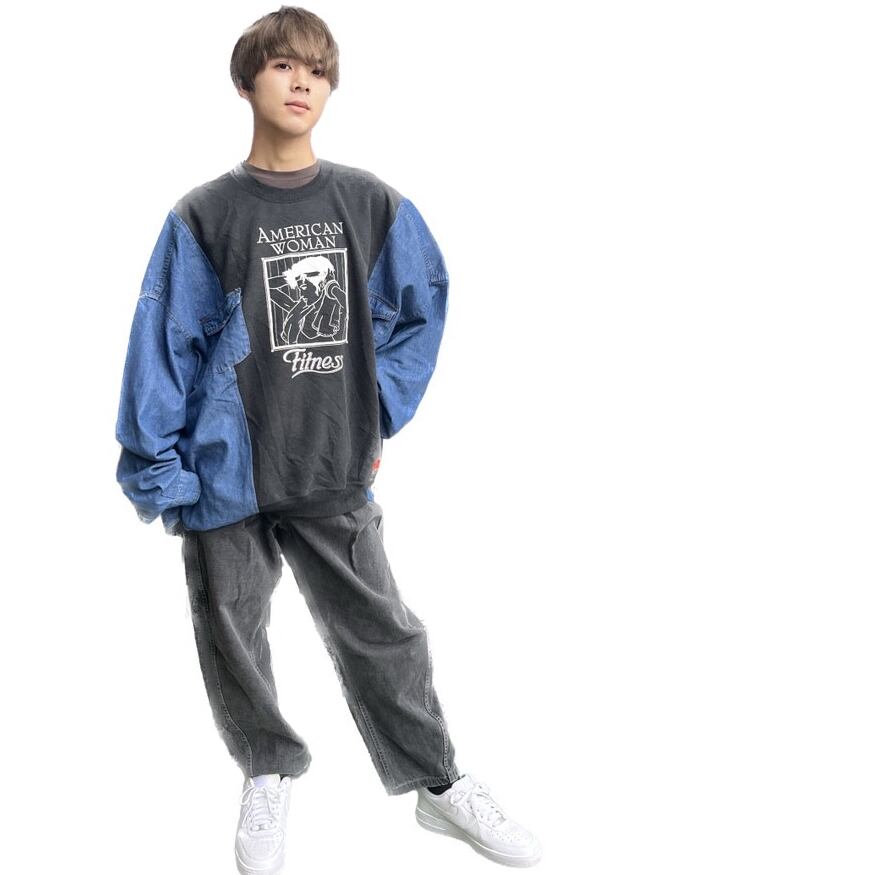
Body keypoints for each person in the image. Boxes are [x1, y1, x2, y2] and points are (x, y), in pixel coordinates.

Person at [113, 6, 542, 873]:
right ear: (246, 82)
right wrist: (159, 467)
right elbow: (162, 342)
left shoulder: (369, 203)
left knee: (384, 630)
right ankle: (266, 768)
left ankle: (437, 781)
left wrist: (372, 405)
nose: (300, 81)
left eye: (316, 69)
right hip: (224, 468)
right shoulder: (203, 214)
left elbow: (423, 304)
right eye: (281, 65)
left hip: (330, 460)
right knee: (231, 630)